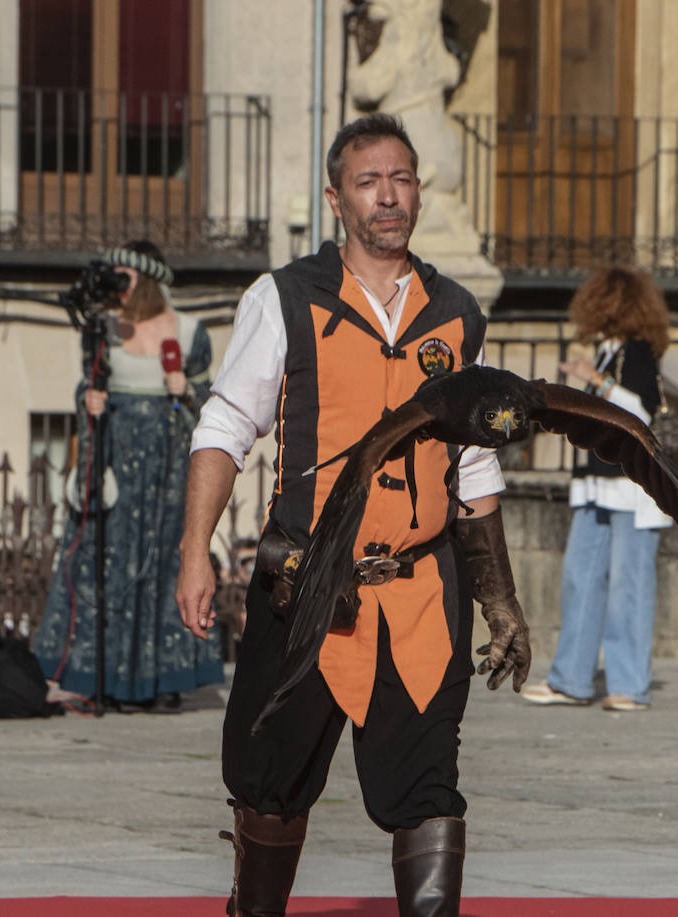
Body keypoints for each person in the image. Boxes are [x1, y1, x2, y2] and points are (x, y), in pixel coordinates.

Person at [175, 113, 531, 917]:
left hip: (419, 590)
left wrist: (500, 598)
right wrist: (195, 548)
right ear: (336, 199)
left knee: (429, 785)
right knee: (270, 783)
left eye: (401, 178)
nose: (388, 196)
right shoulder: (285, 298)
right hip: (304, 583)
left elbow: (472, 460)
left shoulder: (455, 312)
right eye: (369, 182)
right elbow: (226, 426)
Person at [32, 241, 222, 714]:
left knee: (162, 566)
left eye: (127, 275)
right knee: (108, 568)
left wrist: (186, 392)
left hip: (168, 470)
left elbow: (211, 406)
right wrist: (88, 401)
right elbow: (88, 385)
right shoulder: (102, 330)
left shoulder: (190, 332)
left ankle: (163, 680)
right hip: (117, 463)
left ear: (148, 279)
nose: (119, 283)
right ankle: (105, 678)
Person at [521, 266, 672, 713]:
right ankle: (571, 679)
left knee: (629, 587)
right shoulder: (608, 353)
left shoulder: (637, 353)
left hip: (631, 488)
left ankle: (629, 685)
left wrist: (597, 380)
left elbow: (640, 411)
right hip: (597, 485)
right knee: (580, 579)